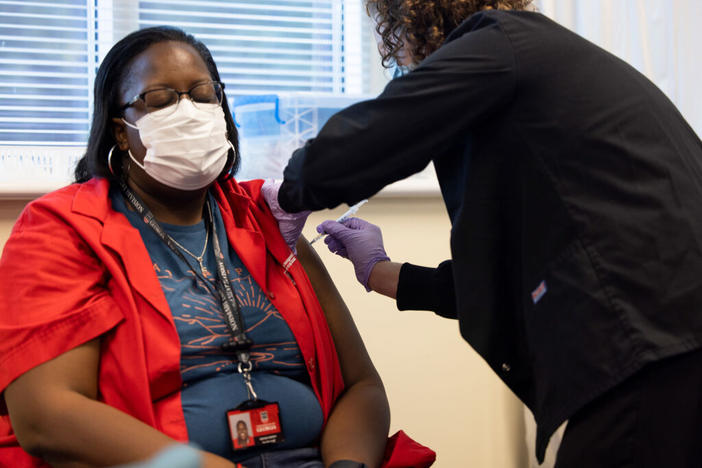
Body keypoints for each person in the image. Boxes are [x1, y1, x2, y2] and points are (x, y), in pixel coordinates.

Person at [262, 1, 702, 466]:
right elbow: (511, 283)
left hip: (653, 341)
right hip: (669, 333)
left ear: (410, 21)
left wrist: (290, 191)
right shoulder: (537, 73)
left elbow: (380, 132)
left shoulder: (500, 43)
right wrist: (383, 273)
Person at [0, 26, 435, 468]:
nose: (188, 111)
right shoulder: (64, 231)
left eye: (203, 95)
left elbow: (360, 385)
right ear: (120, 128)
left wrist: (346, 466)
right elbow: (46, 416)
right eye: (161, 99)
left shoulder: (267, 221)